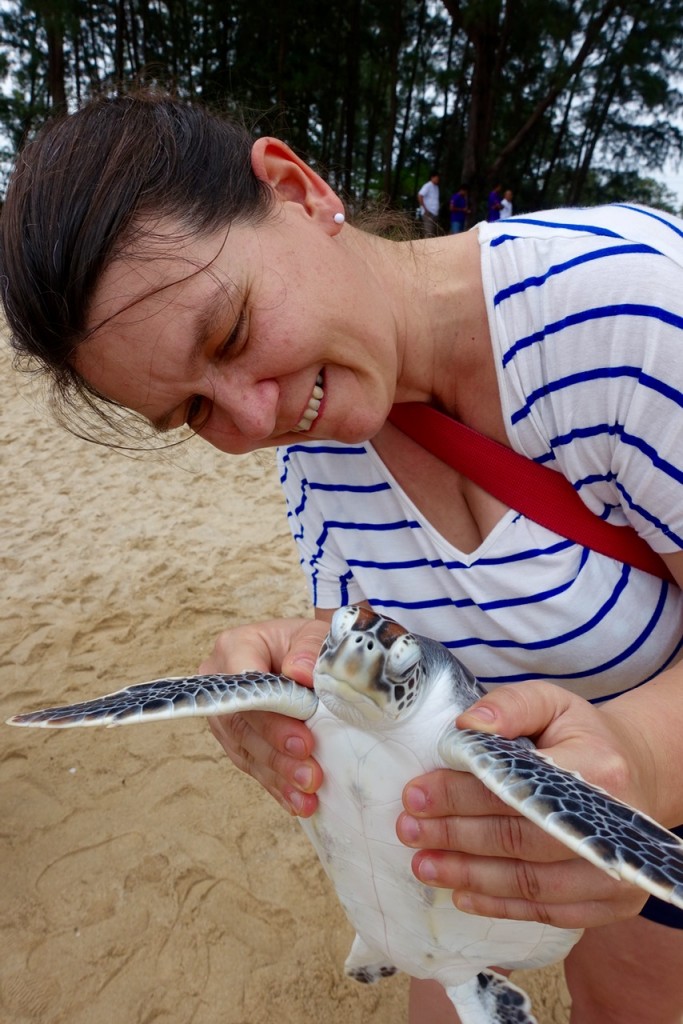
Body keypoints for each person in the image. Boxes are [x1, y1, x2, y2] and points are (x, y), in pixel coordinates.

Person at [2, 92, 683, 1024]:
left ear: (297, 187)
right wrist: (288, 661)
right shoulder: (313, 440)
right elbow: (394, 634)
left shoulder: (631, 309)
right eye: (193, 413)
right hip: (476, 811)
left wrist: (638, 757)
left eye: (231, 333)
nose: (253, 418)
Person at [417, 170, 441, 236]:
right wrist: (425, 209)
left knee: (433, 233)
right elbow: (420, 195)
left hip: (434, 213)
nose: (437, 180)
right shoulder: (428, 185)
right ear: (432, 177)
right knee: (428, 232)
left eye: (438, 179)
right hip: (428, 213)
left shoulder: (436, 187)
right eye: (436, 178)